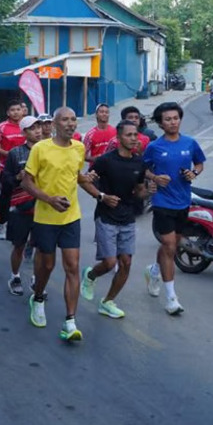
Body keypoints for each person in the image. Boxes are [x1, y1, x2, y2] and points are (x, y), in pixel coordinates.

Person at [21, 107, 102, 342]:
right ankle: (37, 298)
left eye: (73, 119)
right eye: (64, 120)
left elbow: (75, 176)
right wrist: (49, 199)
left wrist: (97, 191)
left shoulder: (78, 148)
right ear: (54, 124)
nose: (70, 123)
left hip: (71, 217)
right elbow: (27, 183)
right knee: (47, 266)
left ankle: (70, 321)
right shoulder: (40, 149)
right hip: (45, 217)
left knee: (72, 267)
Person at [142, 101, 206, 315]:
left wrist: (193, 174)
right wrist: (154, 177)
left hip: (183, 201)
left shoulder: (190, 143)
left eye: (175, 118)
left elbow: (199, 163)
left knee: (173, 244)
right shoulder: (154, 147)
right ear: (161, 124)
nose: (172, 122)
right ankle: (171, 298)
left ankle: (154, 270)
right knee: (169, 245)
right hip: (162, 201)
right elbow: (144, 169)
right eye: (168, 119)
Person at [81, 120, 149, 319]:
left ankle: (108, 301)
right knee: (110, 263)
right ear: (118, 138)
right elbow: (85, 181)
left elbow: (138, 190)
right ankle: (90, 275)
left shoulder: (139, 163)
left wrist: (147, 191)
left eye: (135, 135)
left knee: (126, 262)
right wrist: (102, 196)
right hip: (106, 217)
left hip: (127, 217)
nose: (134, 139)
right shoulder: (105, 161)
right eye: (129, 135)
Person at [0, 115, 43, 296]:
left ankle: (37, 279)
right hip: (20, 207)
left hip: (43, 207)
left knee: (41, 247)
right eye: (33, 128)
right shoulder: (15, 154)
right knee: (19, 246)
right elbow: (5, 179)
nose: (38, 131)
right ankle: (15, 276)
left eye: (39, 127)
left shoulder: (48, 150)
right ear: (25, 132)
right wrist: (17, 178)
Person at [0, 100, 27, 234]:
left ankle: (22, 223)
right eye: (12, 110)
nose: (16, 112)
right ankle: (2, 223)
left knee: (26, 194)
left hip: (25, 167)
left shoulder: (27, 126)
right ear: (8, 113)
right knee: (6, 194)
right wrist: (9, 154)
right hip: (5, 167)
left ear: (23, 110)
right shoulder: (2, 127)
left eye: (18, 109)